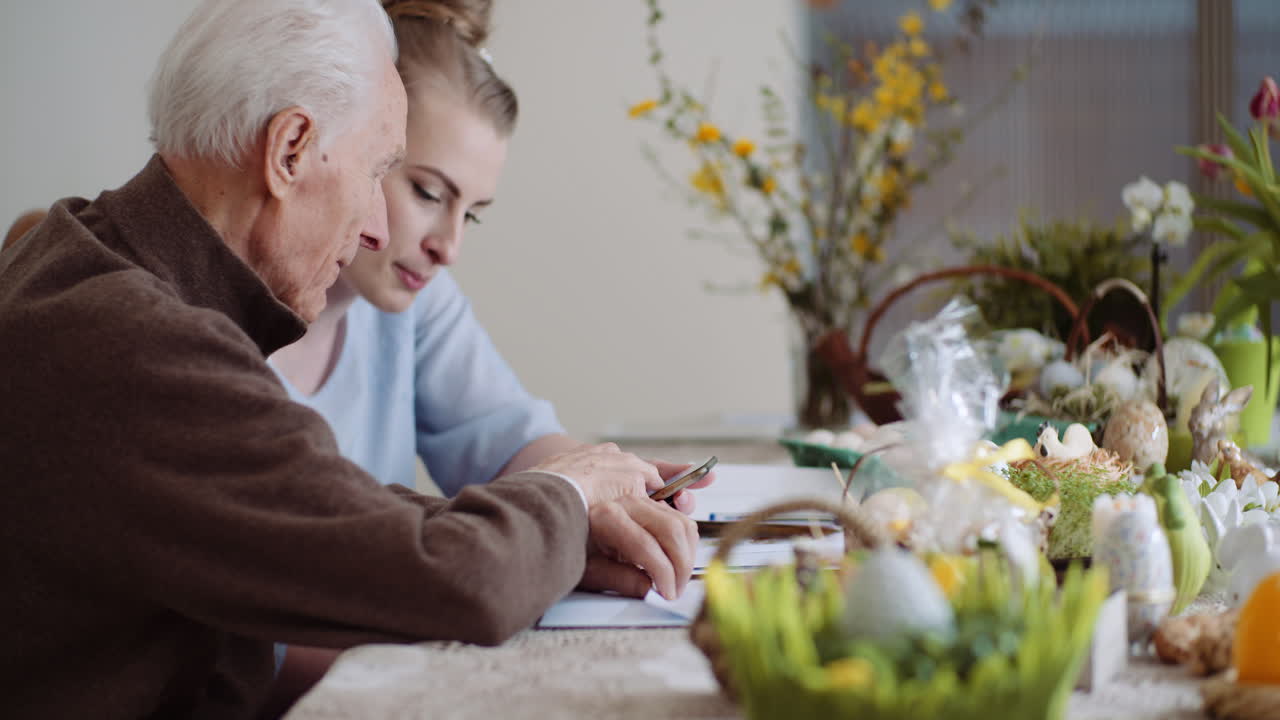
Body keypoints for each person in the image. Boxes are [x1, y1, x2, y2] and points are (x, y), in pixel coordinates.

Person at [0, 2, 697, 718]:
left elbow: (332, 514)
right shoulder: (143, 346)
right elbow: (462, 582)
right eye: (380, 175)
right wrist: (569, 497)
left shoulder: (85, 256)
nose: (376, 226)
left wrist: (567, 526)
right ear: (290, 149)